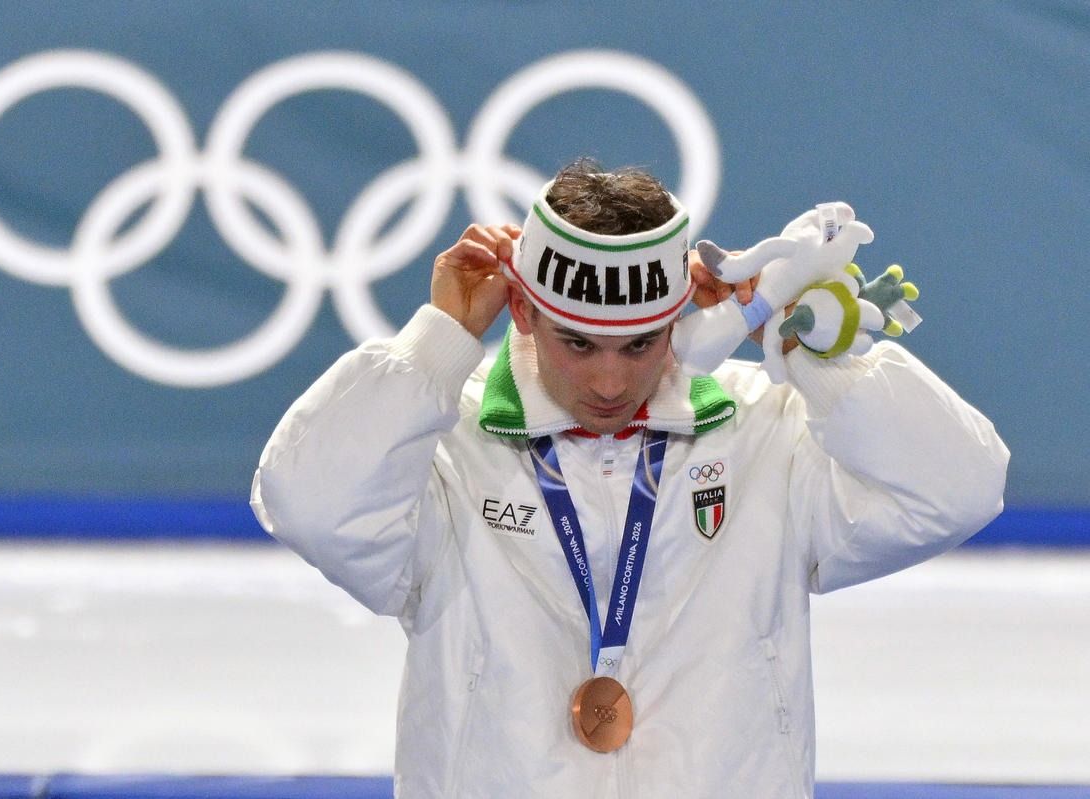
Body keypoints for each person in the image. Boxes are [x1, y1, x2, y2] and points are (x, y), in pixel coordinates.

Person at [250, 160, 1008, 797]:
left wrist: (808, 355)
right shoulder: (446, 445)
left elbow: (959, 489)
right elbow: (308, 503)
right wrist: (436, 345)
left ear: (680, 319)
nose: (609, 381)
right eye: (578, 343)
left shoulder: (762, 434)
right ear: (522, 310)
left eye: (640, 343)